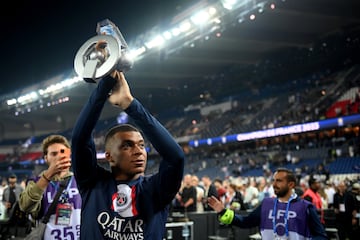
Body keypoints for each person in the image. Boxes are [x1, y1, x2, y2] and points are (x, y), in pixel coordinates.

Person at [71, 70, 185, 239]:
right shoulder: (92, 182)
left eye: (141, 145)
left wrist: (129, 104)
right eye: (127, 146)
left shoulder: (157, 189)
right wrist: (105, 85)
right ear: (109, 156)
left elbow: (176, 158)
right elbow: (80, 139)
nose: (139, 151)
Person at [208, 168, 328, 240]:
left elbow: (321, 236)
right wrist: (223, 211)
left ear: (291, 185)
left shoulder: (305, 207)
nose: (274, 184)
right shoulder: (267, 204)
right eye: (274, 180)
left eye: (279, 181)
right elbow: (245, 222)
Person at [19, 135, 82, 239]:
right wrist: (48, 175)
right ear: (46, 158)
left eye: (63, 152)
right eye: (54, 154)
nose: (59, 156)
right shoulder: (35, 182)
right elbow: (25, 206)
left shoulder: (81, 180)